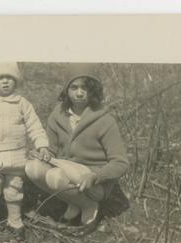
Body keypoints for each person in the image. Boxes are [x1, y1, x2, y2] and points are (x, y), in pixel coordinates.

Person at [25, 64, 129, 227]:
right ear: (66, 89)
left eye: (85, 88)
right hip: (66, 170)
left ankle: (89, 205)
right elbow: (52, 150)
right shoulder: (58, 115)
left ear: (93, 90)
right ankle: (75, 201)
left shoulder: (104, 120)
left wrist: (96, 176)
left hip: (94, 182)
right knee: (32, 168)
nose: (79, 93)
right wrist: (43, 153)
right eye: (74, 87)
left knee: (55, 177)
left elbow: (121, 163)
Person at [0, 62, 51, 238]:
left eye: (9, 78)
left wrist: (41, 144)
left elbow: (34, 125)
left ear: (16, 81)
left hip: (16, 157)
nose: (5, 81)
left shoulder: (22, 104)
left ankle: (14, 221)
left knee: (14, 190)